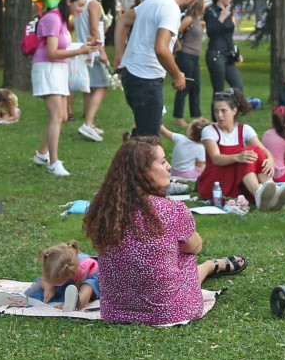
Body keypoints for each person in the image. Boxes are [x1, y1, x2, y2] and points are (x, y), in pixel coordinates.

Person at [84, 138, 247, 327]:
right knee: (184, 254)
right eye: (162, 162)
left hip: (116, 311)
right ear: (143, 171)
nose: (169, 166)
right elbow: (195, 247)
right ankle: (211, 266)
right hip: (168, 312)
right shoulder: (172, 210)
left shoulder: (104, 209)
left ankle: (210, 266)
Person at [118, 0, 203, 138]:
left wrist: (119, 55)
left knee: (141, 134)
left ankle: (132, 156)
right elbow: (161, 49)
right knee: (150, 141)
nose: (193, 5)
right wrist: (177, 74)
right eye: (195, 1)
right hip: (147, 78)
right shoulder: (171, 9)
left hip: (132, 74)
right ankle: (137, 159)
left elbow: (123, 20)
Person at [31, 0, 99, 177]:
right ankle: (53, 163)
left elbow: (63, 47)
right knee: (56, 116)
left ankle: (41, 154)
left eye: (84, 6)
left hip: (58, 69)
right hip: (47, 68)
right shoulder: (53, 18)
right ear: (68, 2)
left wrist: (85, 48)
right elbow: (52, 52)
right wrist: (80, 51)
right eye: (79, 5)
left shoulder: (62, 19)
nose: (81, 9)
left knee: (61, 117)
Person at [199, 92, 285, 211]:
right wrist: (238, 157)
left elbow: (262, 149)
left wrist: (270, 159)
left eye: (223, 111)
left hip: (237, 178)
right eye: (216, 111)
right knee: (246, 153)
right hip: (216, 183)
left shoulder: (245, 129)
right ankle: (260, 194)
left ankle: (270, 191)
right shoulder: (209, 131)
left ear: (234, 111)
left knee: (254, 151)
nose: (219, 115)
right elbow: (216, 158)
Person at [0, 241, 101, 312]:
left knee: (87, 287)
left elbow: (86, 284)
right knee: (43, 288)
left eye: (56, 282)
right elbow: (43, 280)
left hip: (90, 278)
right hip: (69, 280)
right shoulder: (55, 265)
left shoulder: (79, 268)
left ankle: (75, 303)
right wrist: (48, 286)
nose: (53, 283)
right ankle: (23, 299)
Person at [77, 0, 114, 141]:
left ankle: (89, 122)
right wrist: (103, 52)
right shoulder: (93, 4)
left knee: (89, 86)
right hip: (93, 50)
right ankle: (88, 123)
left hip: (83, 47)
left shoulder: (82, 3)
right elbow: (93, 29)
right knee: (103, 85)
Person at [203, 0, 245, 113]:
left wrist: (237, 53)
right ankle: (216, 120)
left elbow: (229, 35)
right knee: (218, 91)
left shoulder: (228, 11)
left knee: (238, 87)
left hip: (228, 55)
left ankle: (231, 115)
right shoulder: (211, 12)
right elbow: (211, 32)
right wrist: (221, 17)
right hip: (216, 55)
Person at [172, 0, 205, 123]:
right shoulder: (189, 18)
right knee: (185, 86)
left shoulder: (197, 19)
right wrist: (179, 46)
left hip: (195, 57)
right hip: (186, 56)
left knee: (195, 87)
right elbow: (174, 32)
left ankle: (196, 116)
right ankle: (179, 117)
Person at [159, 117, 209, 190]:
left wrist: (157, 120)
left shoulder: (179, 138)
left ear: (190, 131)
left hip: (174, 172)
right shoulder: (200, 148)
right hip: (188, 175)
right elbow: (199, 166)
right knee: (205, 167)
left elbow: (164, 131)